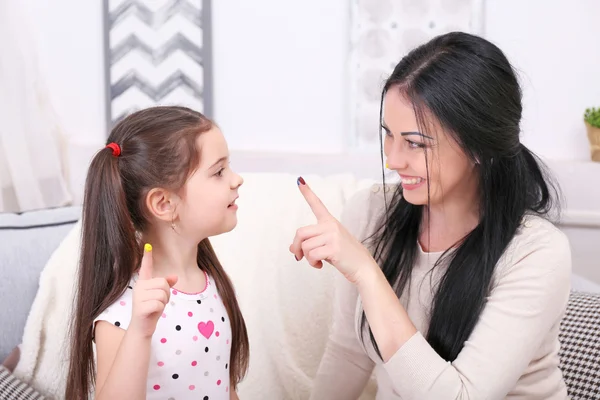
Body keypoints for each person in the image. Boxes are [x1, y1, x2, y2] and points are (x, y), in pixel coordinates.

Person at [290, 32, 571, 399]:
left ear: (479, 147)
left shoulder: (538, 253)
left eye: (416, 143)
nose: (393, 160)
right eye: (388, 135)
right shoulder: (371, 211)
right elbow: (349, 351)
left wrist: (367, 274)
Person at [65, 106, 249, 400]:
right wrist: (140, 330)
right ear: (164, 204)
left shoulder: (213, 283)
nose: (236, 179)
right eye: (218, 171)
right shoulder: (123, 312)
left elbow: (226, 389)